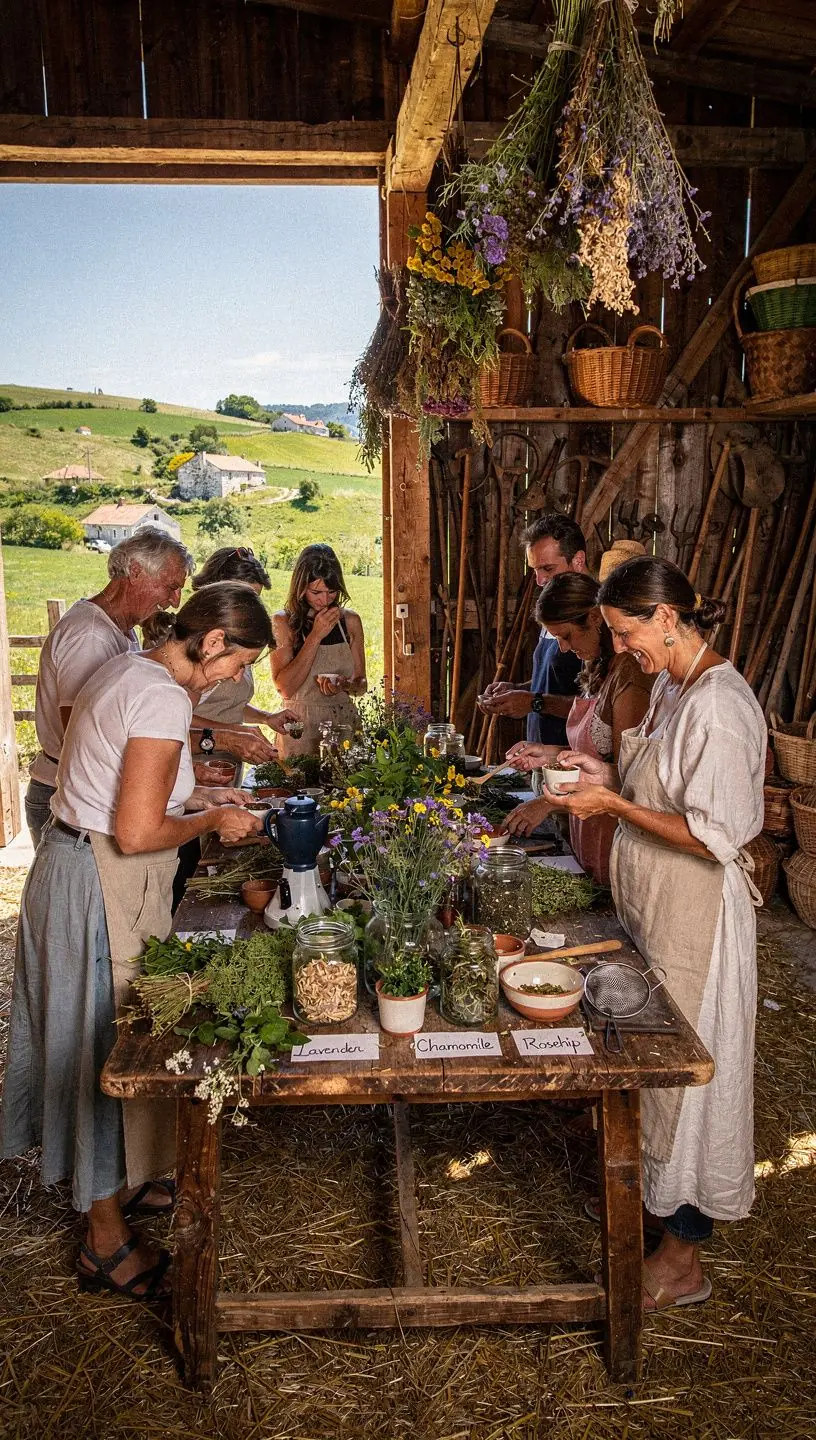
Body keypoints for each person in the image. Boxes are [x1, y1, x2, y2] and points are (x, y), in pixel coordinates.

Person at [2, 583, 270, 1301]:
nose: (233, 680)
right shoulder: (160, 696)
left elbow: (129, 795)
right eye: (237, 663)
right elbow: (138, 832)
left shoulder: (128, 671)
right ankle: (104, 1243)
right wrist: (211, 825)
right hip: (97, 881)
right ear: (212, 641)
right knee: (104, 1045)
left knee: (108, 1031)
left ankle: (118, 1186)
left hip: (77, 864)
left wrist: (206, 799)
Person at [552, 556, 765, 1310]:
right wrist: (598, 770)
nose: (618, 649)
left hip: (696, 919)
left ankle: (683, 1262)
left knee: (690, 1087)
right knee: (648, 1064)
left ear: (668, 616)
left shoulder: (722, 706)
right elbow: (654, 782)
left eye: (625, 631)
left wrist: (610, 805)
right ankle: (655, 1211)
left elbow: (713, 835)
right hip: (656, 908)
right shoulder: (675, 687)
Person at [24, 527, 194, 847]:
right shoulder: (91, 636)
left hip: (82, 794)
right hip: (66, 797)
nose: (175, 601)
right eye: (171, 587)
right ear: (134, 572)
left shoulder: (121, 629)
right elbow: (82, 736)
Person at [501, 572, 653, 884]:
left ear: (595, 619)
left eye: (567, 636)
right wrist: (546, 755)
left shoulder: (630, 678)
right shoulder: (597, 666)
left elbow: (627, 774)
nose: (565, 648)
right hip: (586, 822)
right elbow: (591, 752)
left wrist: (547, 802)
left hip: (614, 828)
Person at [476, 513, 586, 748]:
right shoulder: (553, 610)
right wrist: (518, 689)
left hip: (571, 760)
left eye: (548, 568)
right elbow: (555, 679)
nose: (539, 580)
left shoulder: (594, 616)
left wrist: (534, 702)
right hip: (540, 753)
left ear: (578, 560)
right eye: (535, 570)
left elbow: (597, 707)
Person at [188, 546, 298, 770]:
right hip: (195, 762)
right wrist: (232, 733)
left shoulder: (238, 640)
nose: (251, 609)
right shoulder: (194, 645)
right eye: (244, 598)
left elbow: (227, 704)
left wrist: (266, 718)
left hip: (228, 761)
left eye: (255, 599)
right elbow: (177, 715)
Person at [271, 544, 366, 756]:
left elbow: (361, 684)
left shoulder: (350, 621)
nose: (324, 600)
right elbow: (285, 688)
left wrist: (346, 685)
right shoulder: (283, 622)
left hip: (343, 723)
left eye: (331, 592)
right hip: (299, 727)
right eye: (316, 592)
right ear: (301, 588)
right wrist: (316, 635)